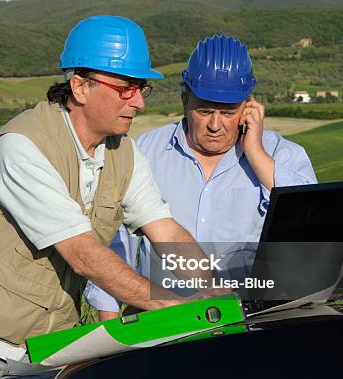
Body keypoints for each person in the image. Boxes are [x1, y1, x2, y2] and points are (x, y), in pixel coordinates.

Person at [0, 16, 222, 379]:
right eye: (125, 88)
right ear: (80, 87)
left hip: (42, 338)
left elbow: (166, 232)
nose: (138, 101)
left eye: (141, 88)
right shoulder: (22, 147)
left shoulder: (126, 154)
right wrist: (172, 308)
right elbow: (84, 254)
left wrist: (213, 293)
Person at [85, 34, 318, 321]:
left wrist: (256, 154)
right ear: (185, 100)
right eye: (205, 111)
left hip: (254, 321)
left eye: (228, 112)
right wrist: (110, 321)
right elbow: (115, 240)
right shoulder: (144, 151)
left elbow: (315, 225)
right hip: (166, 319)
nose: (215, 125)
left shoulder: (282, 155)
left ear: (248, 106)